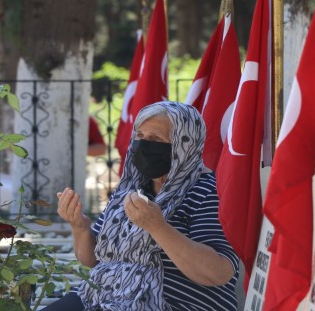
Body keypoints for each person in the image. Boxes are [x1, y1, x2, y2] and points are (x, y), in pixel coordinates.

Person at [48, 101, 239, 311]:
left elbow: (218, 272)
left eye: (156, 139)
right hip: (101, 294)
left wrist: (158, 227)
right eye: (139, 137)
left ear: (185, 145)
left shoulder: (208, 191)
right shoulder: (130, 188)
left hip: (171, 303)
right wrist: (80, 228)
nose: (144, 146)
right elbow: (92, 261)